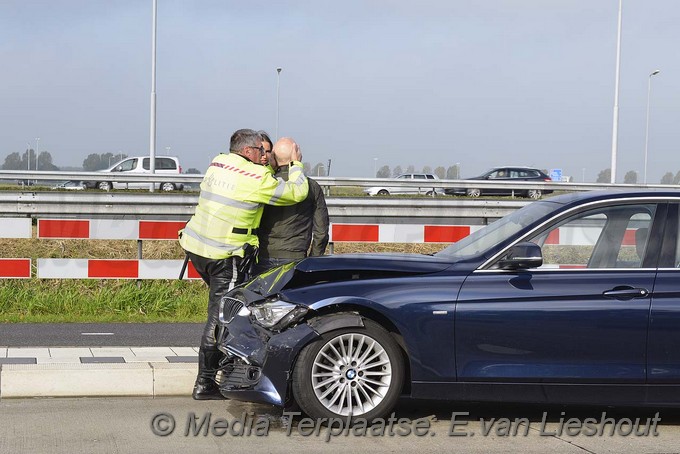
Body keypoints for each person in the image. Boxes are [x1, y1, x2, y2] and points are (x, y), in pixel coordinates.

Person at [179, 128, 308, 400]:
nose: (265, 155)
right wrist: (294, 164)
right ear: (248, 152)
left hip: (197, 249)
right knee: (222, 317)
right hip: (225, 255)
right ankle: (205, 383)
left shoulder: (218, 163)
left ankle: (227, 367)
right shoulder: (257, 177)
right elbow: (297, 193)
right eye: (261, 151)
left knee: (227, 311)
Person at [254, 138, 329, 274]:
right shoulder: (311, 187)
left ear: (274, 158)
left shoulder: (266, 183)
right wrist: (313, 261)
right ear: (298, 156)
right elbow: (321, 232)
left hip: (264, 256)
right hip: (296, 258)